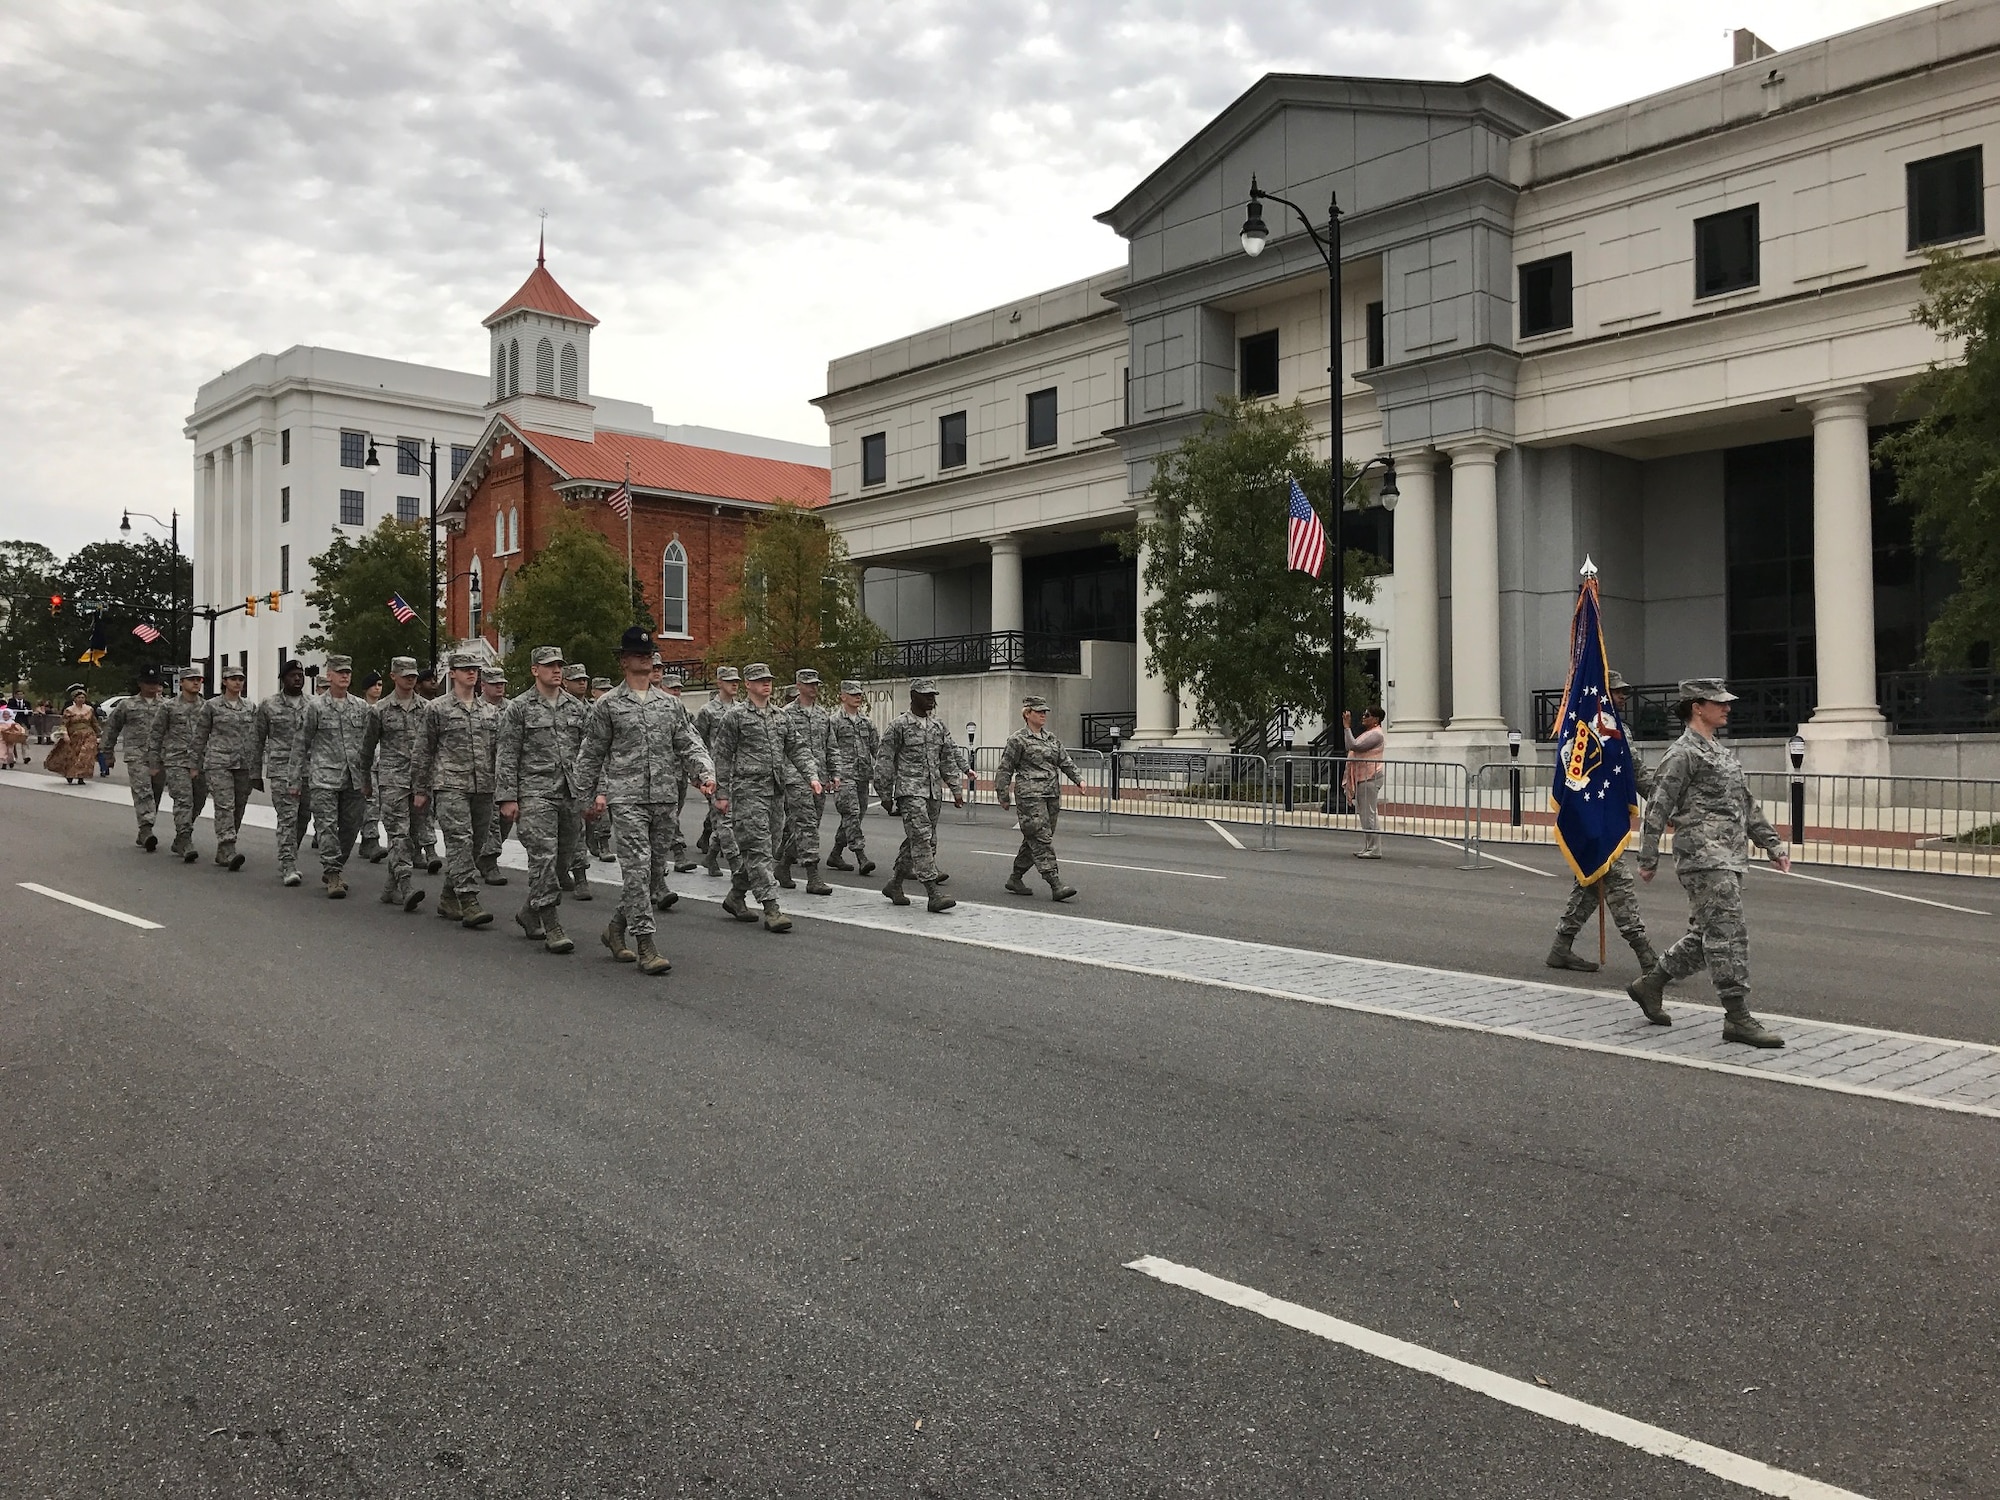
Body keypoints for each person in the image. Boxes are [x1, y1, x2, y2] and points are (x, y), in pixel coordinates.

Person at [1628, 678, 1792, 1047]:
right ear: (1696, 707)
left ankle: (1650, 984)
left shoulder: (1720, 751)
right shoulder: (1682, 754)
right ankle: (1737, 1016)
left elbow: (1745, 803)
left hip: (1730, 854)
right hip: (1703, 856)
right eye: (1718, 702)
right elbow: (1657, 805)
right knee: (1729, 933)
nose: (1727, 707)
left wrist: (1772, 844)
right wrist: (1648, 855)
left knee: (1708, 934)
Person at [573, 627, 717, 973]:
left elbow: (688, 743)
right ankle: (646, 945)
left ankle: (615, 929)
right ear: (624, 661)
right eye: (636, 655)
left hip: (665, 798)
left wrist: (704, 774)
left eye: (648, 654)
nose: (644, 659)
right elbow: (591, 754)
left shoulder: (669, 705)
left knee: (652, 873)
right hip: (627, 799)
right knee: (636, 870)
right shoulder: (606, 706)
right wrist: (586, 797)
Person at [1547, 669, 1660, 975]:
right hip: (1590, 820)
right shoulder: (1584, 729)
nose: (1623, 696)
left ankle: (1561, 946)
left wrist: (1662, 803)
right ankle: (1647, 958)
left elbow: (1634, 772)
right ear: (1602, 694)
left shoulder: (1618, 728)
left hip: (1604, 820)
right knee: (1619, 884)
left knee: (1589, 883)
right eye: (1618, 691)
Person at [709, 662, 818, 932]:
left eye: (768, 680)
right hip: (747, 793)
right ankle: (771, 908)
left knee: (766, 850)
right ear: (748, 684)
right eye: (759, 681)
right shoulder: (735, 717)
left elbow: (797, 748)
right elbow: (721, 756)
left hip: (775, 792)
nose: (766, 684)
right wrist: (721, 793)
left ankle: (736, 896)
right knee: (757, 848)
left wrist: (812, 776)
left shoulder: (781, 717)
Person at [496, 646, 586, 953]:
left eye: (560, 665)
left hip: (570, 792)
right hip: (534, 793)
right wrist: (507, 797)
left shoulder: (576, 708)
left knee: (562, 862)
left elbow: (588, 752)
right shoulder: (519, 708)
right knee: (543, 858)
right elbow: (507, 754)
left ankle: (528, 912)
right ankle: (552, 924)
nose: (557, 670)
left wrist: (591, 791)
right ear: (535, 670)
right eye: (549, 665)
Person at [414, 652, 500, 929]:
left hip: (484, 786)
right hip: (449, 785)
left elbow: (500, 752)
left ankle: (448, 896)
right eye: (465, 669)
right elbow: (423, 750)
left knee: (475, 846)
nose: (471, 674)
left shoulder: (490, 711)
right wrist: (420, 787)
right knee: (460, 842)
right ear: (452, 673)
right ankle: (470, 900)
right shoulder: (437, 709)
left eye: (475, 669)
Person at [873, 677, 966, 913]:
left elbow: (946, 758)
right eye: (926, 695)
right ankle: (933, 893)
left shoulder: (938, 727)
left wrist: (955, 788)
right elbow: (885, 760)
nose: (931, 699)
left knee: (922, 839)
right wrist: (884, 793)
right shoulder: (899, 726)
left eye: (933, 695)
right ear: (913, 696)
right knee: (923, 838)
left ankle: (894, 884)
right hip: (910, 790)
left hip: (933, 791)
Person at [292, 654, 374, 897]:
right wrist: (295, 779)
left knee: (351, 827)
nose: (345, 676)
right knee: (327, 827)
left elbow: (369, 744)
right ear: (329, 676)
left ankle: (335, 866)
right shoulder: (315, 707)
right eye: (340, 672)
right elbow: (301, 743)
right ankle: (333, 874)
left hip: (354, 778)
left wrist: (369, 778)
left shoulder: (360, 707)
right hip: (323, 778)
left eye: (348, 672)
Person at [996, 695, 1085, 900]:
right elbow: (1005, 768)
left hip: (1051, 794)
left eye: (1045, 711)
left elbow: (1065, 761)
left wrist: (1078, 780)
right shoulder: (1017, 740)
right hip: (1030, 796)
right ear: (1027, 714)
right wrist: (1003, 794)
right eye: (1039, 711)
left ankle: (1015, 877)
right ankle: (1055, 883)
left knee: (1036, 837)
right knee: (1041, 837)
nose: (1043, 715)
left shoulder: (1051, 739)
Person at [363, 657, 430, 913]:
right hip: (391, 779)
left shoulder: (427, 709)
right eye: (405, 675)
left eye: (413, 675)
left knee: (411, 836)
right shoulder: (379, 710)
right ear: (393, 676)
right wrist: (365, 780)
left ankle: (390, 888)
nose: (410, 679)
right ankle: (406, 885)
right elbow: (367, 749)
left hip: (418, 781)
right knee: (398, 834)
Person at [777, 668, 843, 896]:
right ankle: (813, 876)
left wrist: (835, 773)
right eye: (809, 684)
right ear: (798, 686)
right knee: (806, 826)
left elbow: (831, 747)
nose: (814, 688)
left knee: (807, 826)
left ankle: (783, 865)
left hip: (820, 778)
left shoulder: (823, 715)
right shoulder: (785, 714)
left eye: (816, 684)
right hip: (796, 778)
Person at [250, 660, 310, 885]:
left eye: (300, 675)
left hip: (308, 770)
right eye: (293, 675)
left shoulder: (313, 704)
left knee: (304, 817)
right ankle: (288, 865)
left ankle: (290, 855)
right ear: (283, 679)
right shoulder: (269, 705)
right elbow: (257, 740)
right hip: (281, 770)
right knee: (287, 818)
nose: (298, 678)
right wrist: (255, 773)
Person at [191, 663, 256, 871]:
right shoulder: (211, 706)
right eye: (234, 678)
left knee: (239, 805)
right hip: (218, 762)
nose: (238, 682)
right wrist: (194, 763)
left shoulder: (250, 707)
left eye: (241, 679)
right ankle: (228, 847)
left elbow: (256, 736)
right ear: (224, 681)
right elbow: (200, 735)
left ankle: (225, 847)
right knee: (224, 805)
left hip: (243, 763)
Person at [147, 667, 209, 862]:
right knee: (184, 800)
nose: (196, 683)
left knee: (199, 800)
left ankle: (181, 836)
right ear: (181, 683)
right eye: (191, 680)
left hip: (200, 761)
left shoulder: (208, 707)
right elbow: (156, 734)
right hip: (176, 760)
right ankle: (184, 838)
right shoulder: (168, 707)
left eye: (198, 680)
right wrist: (154, 762)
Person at [101, 668, 168, 847]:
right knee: (142, 790)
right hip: (136, 754)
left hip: (160, 756)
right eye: (149, 683)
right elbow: (112, 728)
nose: (153, 686)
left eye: (155, 683)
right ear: (140, 684)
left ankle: (144, 829)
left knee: (155, 792)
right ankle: (146, 829)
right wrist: (108, 753)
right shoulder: (127, 705)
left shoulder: (166, 705)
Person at [826, 680, 879, 875]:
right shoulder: (833, 722)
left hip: (863, 776)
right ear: (843, 696)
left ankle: (835, 854)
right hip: (843, 775)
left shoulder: (867, 722)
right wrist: (830, 775)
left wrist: (883, 772)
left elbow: (877, 749)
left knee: (856, 816)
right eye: (853, 693)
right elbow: (828, 750)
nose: (858, 697)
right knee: (851, 814)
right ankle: (861, 855)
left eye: (859, 694)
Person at [694, 667, 741, 877]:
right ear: (719, 683)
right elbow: (697, 742)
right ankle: (735, 864)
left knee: (732, 820)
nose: (734, 684)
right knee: (724, 820)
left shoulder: (741, 710)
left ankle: (711, 855)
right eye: (729, 680)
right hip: (716, 774)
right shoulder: (707, 711)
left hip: (739, 772)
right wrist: (699, 776)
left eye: (737, 680)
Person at [559, 663, 597, 902]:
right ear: (566, 682)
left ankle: (580, 876)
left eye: (584, 679)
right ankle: (561, 872)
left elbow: (596, 749)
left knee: (578, 831)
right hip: (548, 782)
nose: (582, 683)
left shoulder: (589, 710)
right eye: (576, 680)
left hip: (580, 780)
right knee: (558, 835)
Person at [476, 666, 513, 887]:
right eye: (494, 683)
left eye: (502, 683)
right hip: (483, 772)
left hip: (507, 773)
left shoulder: (513, 708)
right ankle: (489, 861)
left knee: (507, 819)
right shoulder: (475, 708)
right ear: (483, 686)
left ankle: (484, 854)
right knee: (490, 820)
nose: (500, 686)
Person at [1341, 705, 1387, 858]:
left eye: (1367, 715)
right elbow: (1351, 745)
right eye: (1364, 714)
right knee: (1364, 813)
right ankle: (1369, 846)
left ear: (1376, 719)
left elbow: (1354, 745)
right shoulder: (1368, 733)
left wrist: (1347, 727)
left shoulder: (1376, 735)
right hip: (1363, 776)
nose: (1363, 717)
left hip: (1370, 776)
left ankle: (1375, 849)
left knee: (1369, 813)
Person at [356, 671, 387, 862]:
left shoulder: (385, 708)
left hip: (383, 761)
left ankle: (368, 840)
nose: (377, 688)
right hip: (364, 762)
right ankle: (370, 840)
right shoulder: (359, 709)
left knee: (380, 803)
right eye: (374, 684)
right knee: (371, 801)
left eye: (380, 684)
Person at [585, 677, 617, 863]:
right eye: (601, 689)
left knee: (611, 810)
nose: (605, 693)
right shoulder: (589, 713)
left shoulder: (615, 711)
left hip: (615, 767)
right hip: (597, 766)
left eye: (608, 689)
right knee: (599, 809)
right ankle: (602, 844)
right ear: (594, 692)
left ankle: (594, 839)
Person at [45, 685, 100, 785]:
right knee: (73, 756)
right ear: (74, 698)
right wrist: (65, 734)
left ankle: (81, 776)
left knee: (85, 755)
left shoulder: (89, 709)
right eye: (79, 697)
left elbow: (94, 723)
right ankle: (70, 774)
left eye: (83, 697)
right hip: (74, 735)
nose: (81, 699)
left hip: (88, 734)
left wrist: (99, 734)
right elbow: (63, 724)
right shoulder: (69, 710)